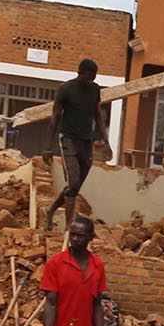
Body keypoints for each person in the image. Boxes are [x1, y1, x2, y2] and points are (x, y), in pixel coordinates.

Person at [45, 59, 104, 228]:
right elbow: (55, 117)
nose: (91, 80)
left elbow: (98, 114)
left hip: (86, 141)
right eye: (88, 76)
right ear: (81, 73)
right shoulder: (65, 89)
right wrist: (47, 147)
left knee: (74, 188)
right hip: (69, 140)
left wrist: (104, 138)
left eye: (94, 77)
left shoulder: (95, 89)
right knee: (73, 183)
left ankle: (50, 211)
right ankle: (69, 226)